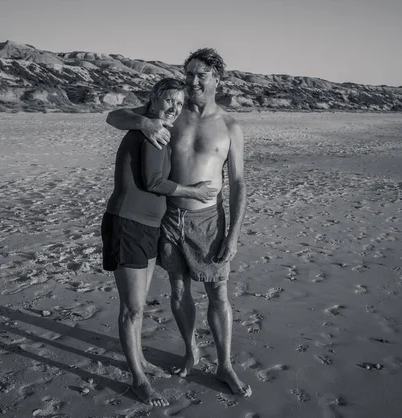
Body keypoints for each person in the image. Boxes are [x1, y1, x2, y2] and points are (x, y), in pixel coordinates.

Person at [106, 48, 252, 397]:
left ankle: (225, 365)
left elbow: (239, 183)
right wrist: (144, 121)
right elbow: (114, 116)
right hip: (169, 217)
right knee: (179, 290)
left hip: (209, 220)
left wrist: (233, 235)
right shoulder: (172, 113)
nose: (193, 80)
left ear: (217, 78)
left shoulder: (230, 126)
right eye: (189, 73)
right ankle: (191, 351)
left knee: (217, 291)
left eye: (201, 74)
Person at [101, 78, 219, 406]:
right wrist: (194, 191)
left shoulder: (159, 130)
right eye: (168, 101)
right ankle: (138, 380)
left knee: (137, 306)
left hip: (148, 226)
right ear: (153, 100)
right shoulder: (150, 131)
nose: (174, 108)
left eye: (178, 104)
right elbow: (154, 182)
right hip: (130, 224)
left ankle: (140, 361)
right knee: (133, 309)